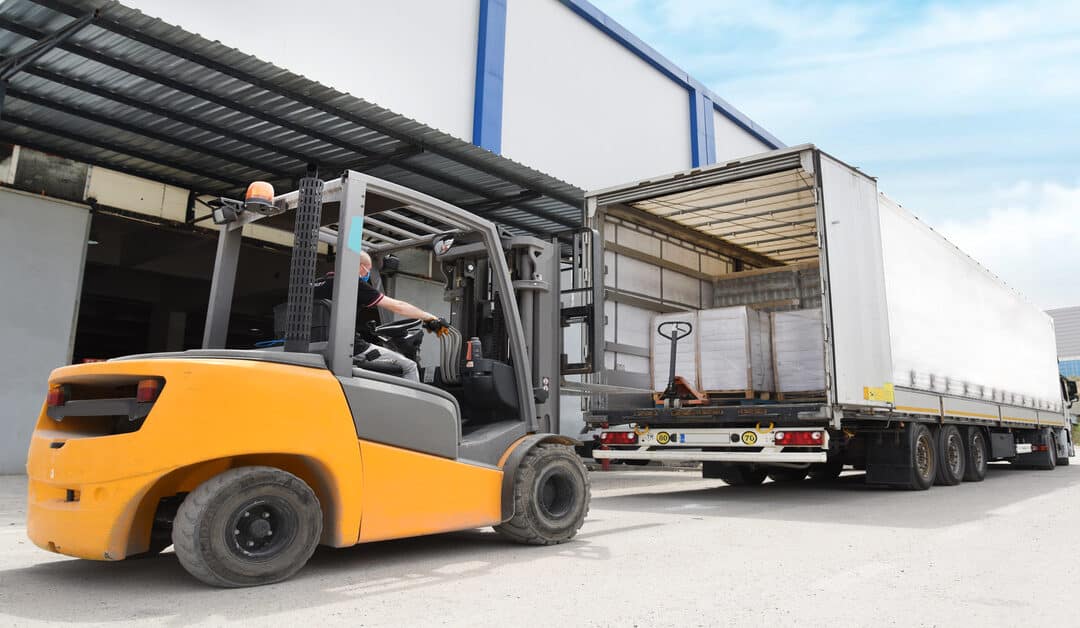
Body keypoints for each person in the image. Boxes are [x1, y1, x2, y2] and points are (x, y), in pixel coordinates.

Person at [351, 251, 449, 382]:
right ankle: (414, 403)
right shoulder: (354, 284)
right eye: (367, 270)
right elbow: (399, 306)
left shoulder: (320, 283)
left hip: (320, 347)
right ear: (359, 266)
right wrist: (430, 317)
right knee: (409, 366)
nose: (366, 275)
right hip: (354, 350)